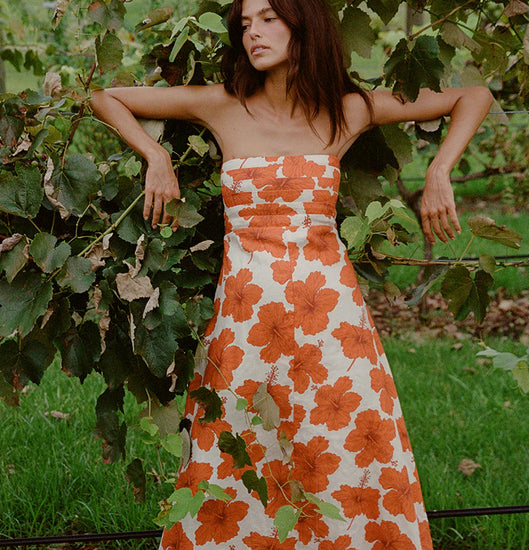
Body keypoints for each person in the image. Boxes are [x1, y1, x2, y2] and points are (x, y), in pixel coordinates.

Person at [90, 0, 494, 548]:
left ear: (303, 22)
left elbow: (474, 95)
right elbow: (105, 97)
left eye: (268, 18)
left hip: (330, 319)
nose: (253, 32)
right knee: (241, 452)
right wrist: (154, 155)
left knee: (341, 444)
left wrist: (440, 170)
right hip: (246, 317)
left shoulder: (348, 110)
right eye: (246, 23)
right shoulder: (220, 104)